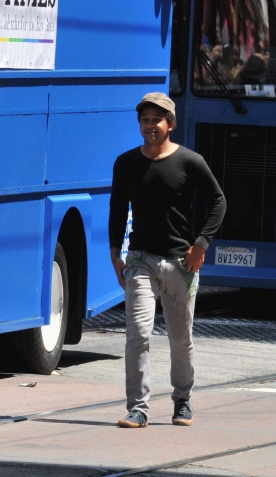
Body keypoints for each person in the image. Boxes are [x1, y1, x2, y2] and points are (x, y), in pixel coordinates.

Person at [108, 93, 226, 429]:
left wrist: (200, 245)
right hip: (141, 259)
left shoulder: (190, 162)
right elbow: (117, 209)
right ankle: (138, 408)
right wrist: (115, 254)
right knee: (138, 333)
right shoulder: (126, 163)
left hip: (180, 263)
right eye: (144, 120)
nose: (149, 126)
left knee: (180, 339)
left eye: (156, 120)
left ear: (170, 124)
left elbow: (218, 202)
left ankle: (183, 400)